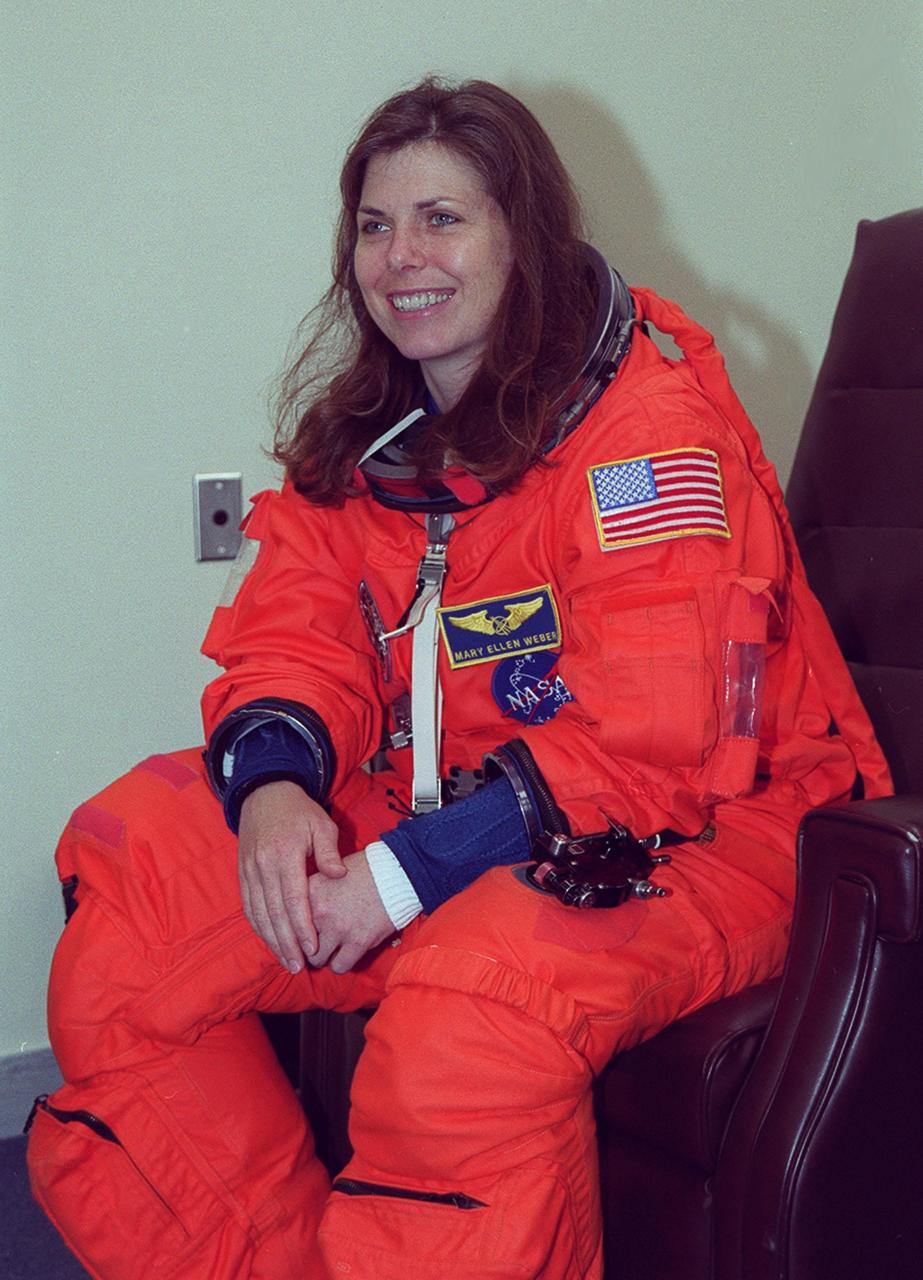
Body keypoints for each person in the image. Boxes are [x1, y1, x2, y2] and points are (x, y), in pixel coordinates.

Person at [26, 77, 890, 1280]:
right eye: (375, 226)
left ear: (520, 236)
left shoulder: (642, 435)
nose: (401, 257)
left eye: (442, 218)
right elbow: (294, 631)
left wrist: (399, 876)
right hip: (459, 797)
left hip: (711, 824)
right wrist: (272, 787)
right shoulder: (370, 442)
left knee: (469, 1010)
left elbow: (652, 743)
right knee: (137, 896)